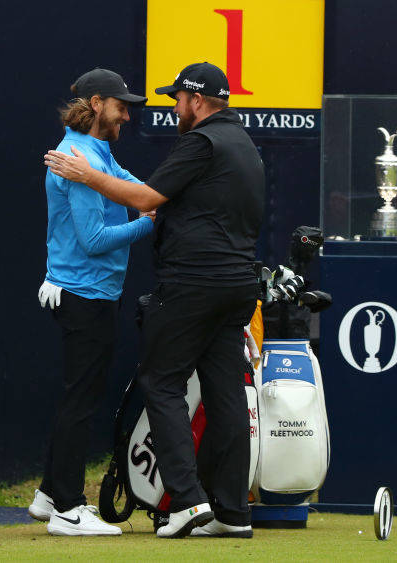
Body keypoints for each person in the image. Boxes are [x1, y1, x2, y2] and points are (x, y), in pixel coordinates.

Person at [44, 62, 265, 539]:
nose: (172, 109)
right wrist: (147, 209)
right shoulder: (244, 143)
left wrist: (100, 184)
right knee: (225, 392)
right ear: (98, 105)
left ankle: (187, 502)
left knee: (161, 382)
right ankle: (231, 512)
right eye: (123, 107)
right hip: (233, 286)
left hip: (192, 285)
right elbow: (133, 209)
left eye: (178, 100)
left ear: (198, 102)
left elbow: (146, 198)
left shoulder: (200, 142)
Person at [30, 68, 153, 536]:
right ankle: (67, 508)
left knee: (77, 397)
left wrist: (159, 201)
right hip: (83, 293)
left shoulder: (96, 152)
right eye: (122, 105)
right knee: (79, 401)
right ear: (97, 104)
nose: (127, 114)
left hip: (91, 292)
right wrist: (152, 222)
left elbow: (136, 190)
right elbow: (95, 238)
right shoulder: (76, 158)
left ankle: (47, 494)